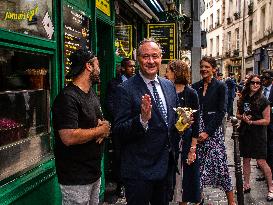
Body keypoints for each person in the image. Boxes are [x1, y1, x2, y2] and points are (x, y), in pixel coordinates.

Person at [114, 38, 179, 205]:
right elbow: (119, 131)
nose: (151, 61)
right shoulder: (125, 90)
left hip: (165, 169)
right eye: (145, 57)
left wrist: (182, 122)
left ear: (161, 58)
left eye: (155, 56)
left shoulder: (169, 86)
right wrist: (142, 120)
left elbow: (169, 124)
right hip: (139, 172)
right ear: (138, 59)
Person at [52, 49, 111, 205]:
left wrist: (105, 126)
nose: (99, 68)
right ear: (89, 66)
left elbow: (100, 122)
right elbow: (69, 137)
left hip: (94, 172)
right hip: (76, 177)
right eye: (97, 64)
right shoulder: (67, 98)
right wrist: (100, 130)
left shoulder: (91, 93)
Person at [192, 56, 236, 205]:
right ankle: (199, 199)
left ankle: (231, 201)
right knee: (198, 169)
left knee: (221, 167)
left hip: (213, 133)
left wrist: (208, 132)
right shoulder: (195, 86)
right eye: (202, 67)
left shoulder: (220, 86)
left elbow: (221, 111)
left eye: (207, 67)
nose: (204, 69)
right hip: (198, 133)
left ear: (214, 69)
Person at [165, 60, 201, 205]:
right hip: (168, 144)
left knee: (184, 183)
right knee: (168, 182)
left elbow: (196, 123)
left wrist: (193, 148)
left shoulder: (191, 93)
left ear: (176, 72)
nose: (166, 73)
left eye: (168, 70)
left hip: (185, 143)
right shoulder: (166, 90)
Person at [236, 74, 273, 201]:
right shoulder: (244, 97)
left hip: (259, 134)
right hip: (246, 132)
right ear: (249, 84)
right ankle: (246, 185)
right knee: (246, 160)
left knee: (261, 161)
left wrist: (252, 122)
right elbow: (238, 114)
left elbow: (267, 121)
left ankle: (271, 188)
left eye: (258, 83)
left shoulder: (264, 100)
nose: (256, 84)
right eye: (253, 82)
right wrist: (243, 118)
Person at [105, 58, 136, 199]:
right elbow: (109, 103)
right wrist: (120, 118)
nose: (133, 69)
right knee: (119, 156)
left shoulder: (137, 83)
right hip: (119, 126)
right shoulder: (114, 84)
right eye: (130, 67)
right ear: (123, 68)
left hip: (133, 126)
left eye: (134, 66)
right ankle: (120, 185)